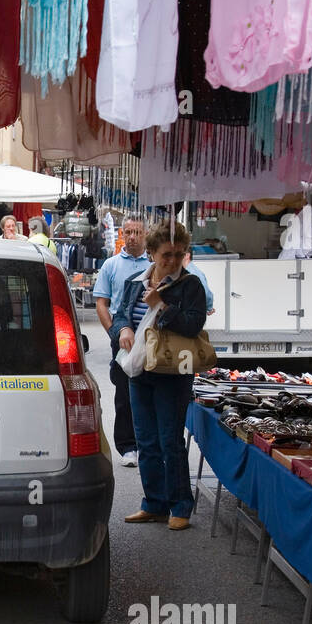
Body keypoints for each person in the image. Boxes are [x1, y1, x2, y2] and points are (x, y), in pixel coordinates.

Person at [110, 222, 206, 531]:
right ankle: (154, 503)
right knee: (146, 440)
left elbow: (193, 325)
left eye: (179, 255)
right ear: (152, 253)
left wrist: (161, 307)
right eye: (166, 255)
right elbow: (120, 315)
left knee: (169, 440)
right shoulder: (135, 281)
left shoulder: (190, 285)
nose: (173, 261)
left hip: (171, 373)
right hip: (139, 369)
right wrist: (122, 328)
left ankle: (180, 505)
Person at [91, 215, 149, 467]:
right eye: (128, 232)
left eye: (137, 232)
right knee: (124, 392)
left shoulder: (155, 263)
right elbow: (102, 303)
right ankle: (128, 447)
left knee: (150, 391)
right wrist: (114, 332)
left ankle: (147, 444)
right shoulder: (111, 265)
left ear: (145, 234)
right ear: (122, 234)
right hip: (123, 337)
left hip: (151, 337)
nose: (133, 237)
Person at [182, 247, 216, 314]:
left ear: (187, 255)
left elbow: (206, 293)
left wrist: (209, 307)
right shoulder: (183, 271)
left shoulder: (194, 273)